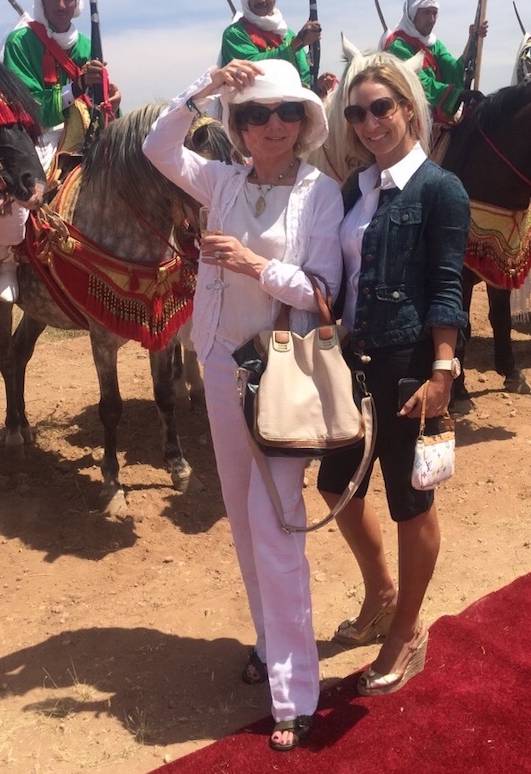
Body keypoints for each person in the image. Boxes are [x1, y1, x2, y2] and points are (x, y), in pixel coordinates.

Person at [142, 57, 342, 752]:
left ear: (305, 121)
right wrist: (202, 86)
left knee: (277, 522)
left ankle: (297, 689)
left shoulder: (321, 193)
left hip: (281, 373)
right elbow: (156, 147)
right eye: (255, 114)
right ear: (239, 125)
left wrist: (254, 266)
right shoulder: (221, 179)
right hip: (222, 367)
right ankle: (268, 640)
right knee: (241, 513)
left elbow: (322, 291)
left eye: (285, 112)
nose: (271, 126)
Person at [316, 52, 470, 697]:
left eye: (381, 107)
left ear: (408, 107)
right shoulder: (356, 187)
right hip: (352, 362)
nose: (369, 122)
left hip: (411, 366)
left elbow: (445, 286)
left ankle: (407, 630)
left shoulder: (441, 189)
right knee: (335, 484)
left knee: (413, 501)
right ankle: (381, 590)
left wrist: (443, 369)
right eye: (357, 113)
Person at [0, 0, 121, 302]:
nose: (61, 4)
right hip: (38, 131)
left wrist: (110, 97)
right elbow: (24, 103)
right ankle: (8, 260)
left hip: (83, 126)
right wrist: (75, 87)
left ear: (77, 4)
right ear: (42, 1)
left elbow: (99, 95)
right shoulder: (20, 42)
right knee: (22, 190)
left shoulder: (87, 45)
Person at [382, 0, 487, 123]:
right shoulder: (397, 47)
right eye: (426, 13)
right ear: (413, 14)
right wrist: (457, 95)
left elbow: (453, 68)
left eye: (434, 13)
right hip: (410, 119)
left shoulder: (434, 44)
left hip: (436, 118)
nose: (432, 19)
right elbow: (420, 83)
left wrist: (473, 39)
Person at [219, 0, 321, 88]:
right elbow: (252, 66)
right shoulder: (235, 33)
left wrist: (318, 85)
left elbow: (303, 76)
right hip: (250, 105)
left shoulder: (287, 34)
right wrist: (296, 44)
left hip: (291, 104)